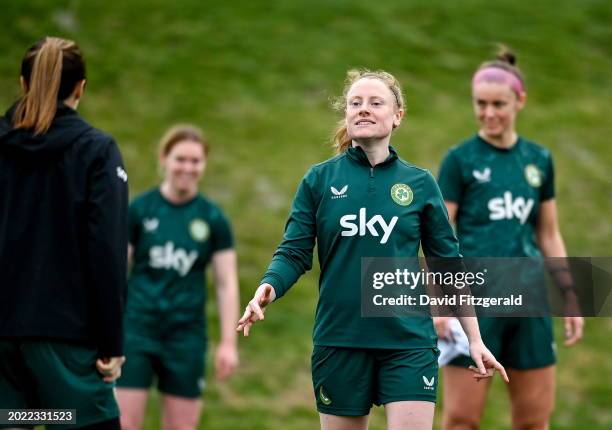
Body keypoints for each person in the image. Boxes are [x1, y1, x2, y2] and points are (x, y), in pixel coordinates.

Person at [237, 69, 508, 430]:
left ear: (397, 116)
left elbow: (448, 267)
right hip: (340, 340)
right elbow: (294, 252)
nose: (363, 109)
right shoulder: (319, 180)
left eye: (375, 102)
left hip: (408, 343)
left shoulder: (420, 183)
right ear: (346, 115)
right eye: (355, 103)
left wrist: (474, 339)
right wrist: (267, 288)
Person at [435, 47, 585, 430]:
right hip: (474, 304)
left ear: (520, 101)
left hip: (530, 300)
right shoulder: (460, 160)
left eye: (498, 104)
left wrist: (569, 294)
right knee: (461, 420)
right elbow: (437, 235)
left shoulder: (539, 160)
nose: (488, 114)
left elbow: (548, 233)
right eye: (480, 104)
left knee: (534, 422)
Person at [0, 37, 127, 429]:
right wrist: (112, 344)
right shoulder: (97, 151)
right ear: (80, 89)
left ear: (23, 83)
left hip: (3, 345)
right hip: (65, 346)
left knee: (17, 420)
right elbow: (106, 252)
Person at [116, 124, 240, 430]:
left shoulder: (213, 218)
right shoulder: (140, 210)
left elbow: (226, 284)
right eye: (180, 159)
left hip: (185, 336)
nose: (188, 167)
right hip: (137, 331)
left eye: (195, 161)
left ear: (204, 164)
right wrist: (106, 329)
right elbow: (116, 273)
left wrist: (228, 343)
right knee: (124, 424)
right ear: (164, 159)